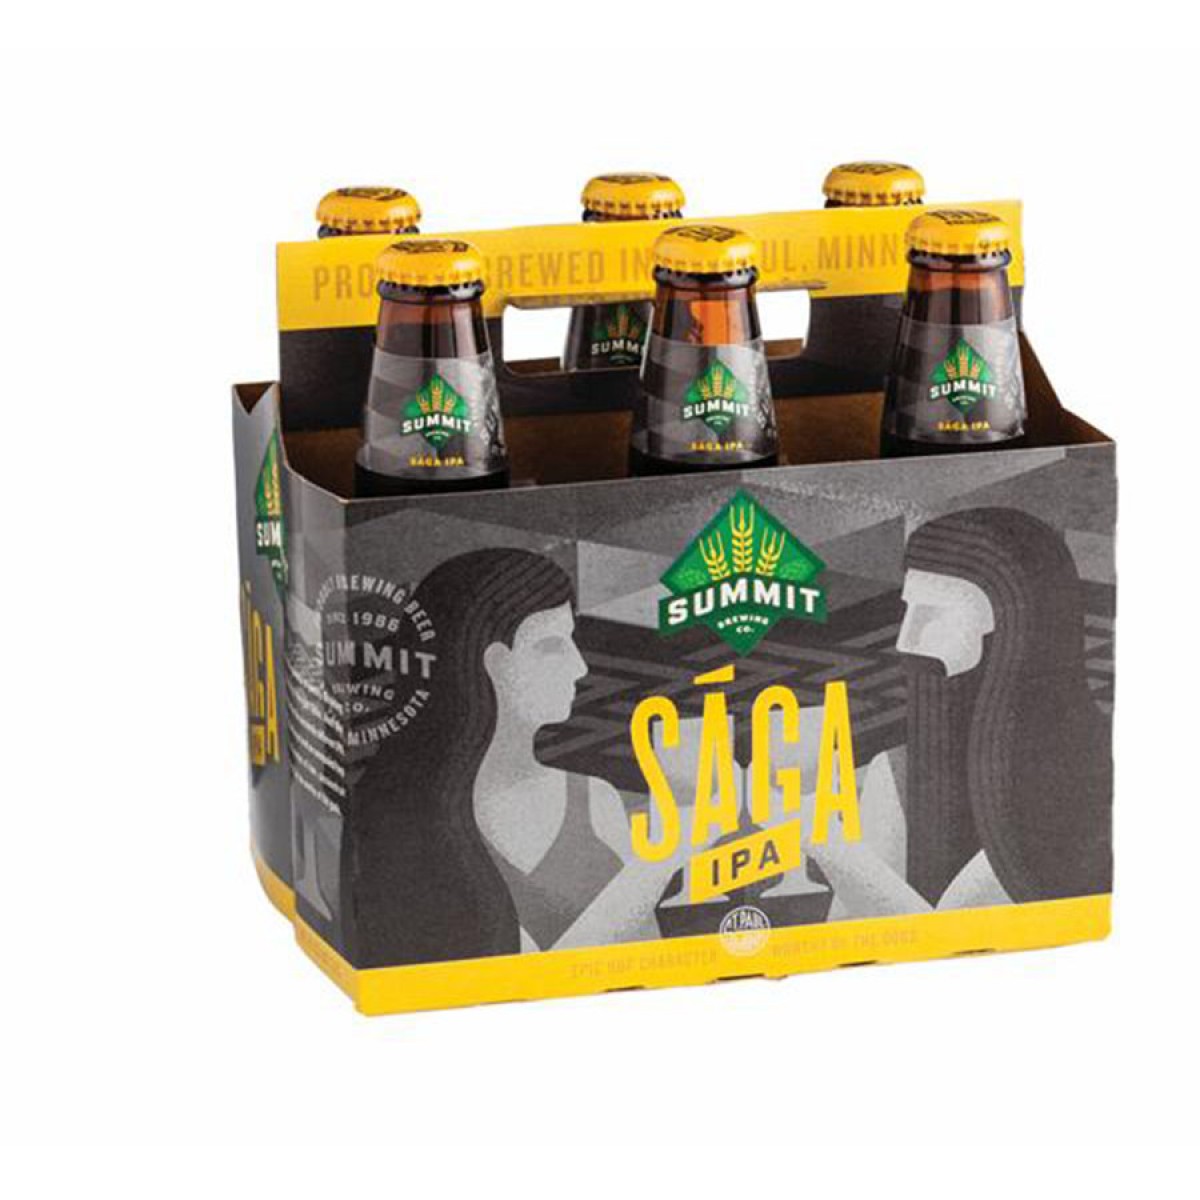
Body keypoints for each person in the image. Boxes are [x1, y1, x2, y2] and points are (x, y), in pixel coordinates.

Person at [346, 548, 688, 966]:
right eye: (552, 646)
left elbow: (644, 964)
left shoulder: (595, 799)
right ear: (494, 664)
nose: (580, 666)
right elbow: (513, 971)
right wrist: (658, 866)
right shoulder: (397, 821)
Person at [802, 507, 1112, 917]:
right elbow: (846, 932)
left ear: (1008, 625)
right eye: (908, 610)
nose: (905, 640)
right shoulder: (896, 770)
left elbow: (943, 935)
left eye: (934, 616)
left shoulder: (1072, 781)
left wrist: (821, 841)